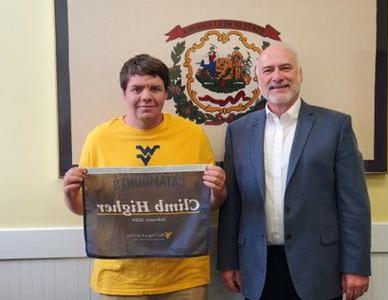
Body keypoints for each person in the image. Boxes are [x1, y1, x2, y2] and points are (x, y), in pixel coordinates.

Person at [63, 54, 226, 299]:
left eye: (155, 88)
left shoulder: (193, 135)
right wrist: (69, 193)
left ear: (166, 93)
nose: (146, 96)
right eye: (137, 88)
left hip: (184, 275)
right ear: (124, 93)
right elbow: (85, 209)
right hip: (121, 276)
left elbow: (206, 205)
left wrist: (219, 191)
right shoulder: (99, 139)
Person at [217, 43, 371, 300]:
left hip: (318, 266)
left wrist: (356, 266)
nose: (277, 76)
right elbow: (232, 204)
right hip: (258, 266)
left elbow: (354, 203)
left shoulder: (336, 126)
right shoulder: (238, 131)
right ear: (258, 78)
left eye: (285, 68)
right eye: (268, 70)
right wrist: (229, 261)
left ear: (299, 74)